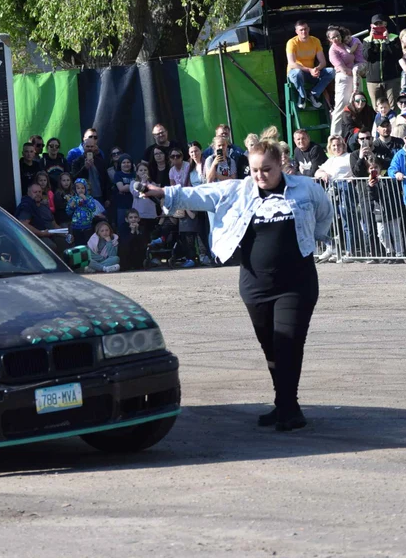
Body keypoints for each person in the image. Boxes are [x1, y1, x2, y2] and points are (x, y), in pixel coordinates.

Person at [138, 129, 334, 431]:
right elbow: (202, 194)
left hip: (297, 282)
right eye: (255, 170)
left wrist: (314, 238)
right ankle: (282, 403)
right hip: (255, 285)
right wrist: (164, 192)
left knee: (288, 344)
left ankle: (289, 407)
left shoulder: (306, 188)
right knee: (270, 346)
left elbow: (324, 213)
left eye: (267, 170)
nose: (260, 176)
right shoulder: (239, 190)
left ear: (281, 164)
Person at [328, 25, 366, 134]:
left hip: (355, 77)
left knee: (357, 105)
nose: (337, 38)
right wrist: (356, 72)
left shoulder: (345, 45)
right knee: (340, 107)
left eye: (338, 36)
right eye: (333, 37)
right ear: (329, 39)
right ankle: (335, 136)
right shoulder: (332, 51)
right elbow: (344, 69)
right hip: (344, 79)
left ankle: (358, 134)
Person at [286, 21, 332, 110]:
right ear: (296, 31)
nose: (304, 32)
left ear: (309, 29)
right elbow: (292, 63)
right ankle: (302, 97)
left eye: (305, 29)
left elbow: (323, 62)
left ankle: (313, 95)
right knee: (297, 72)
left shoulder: (315, 41)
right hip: (295, 73)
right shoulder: (292, 42)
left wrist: (317, 69)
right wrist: (309, 70)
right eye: (301, 30)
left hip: (311, 73)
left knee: (331, 71)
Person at [364, 14, 404, 109]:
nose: (378, 26)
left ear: (385, 24)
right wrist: (371, 40)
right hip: (373, 80)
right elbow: (367, 57)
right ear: (371, 26)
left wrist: (387, 41)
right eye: (376, 24)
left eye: (380, 23)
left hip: (391, 79)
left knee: (392, 106)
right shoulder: (366, 40)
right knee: (377, 108)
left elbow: (398, 55)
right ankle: (380, 124)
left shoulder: (394, 38)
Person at [16, 182, 60, 252]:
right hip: (32, 238)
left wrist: (66, 234)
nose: (38, 194)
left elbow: (54, 224)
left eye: (39, 192)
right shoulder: (27, 206)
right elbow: (23, 224)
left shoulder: (44, 207)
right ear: (29, 193)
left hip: (50, 234)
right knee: (51, 246)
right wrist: (41, 233)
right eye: (35, 192)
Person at [66, 178, 102, 246]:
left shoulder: (89, 198)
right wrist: (71, 206)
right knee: (78, 246)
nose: (80, 190)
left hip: (88, 227)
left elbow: (93, 208)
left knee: (89, 245)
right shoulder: (73, 199)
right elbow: (68, 212)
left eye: (82, 188)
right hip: (76, 227)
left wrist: (85, 200)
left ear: (86, 188)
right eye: (78, 188)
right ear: (75, 189)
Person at [130, 162, 160, 235]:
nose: (143, 171)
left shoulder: (152, 184)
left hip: (151, 214)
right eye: (141, 170)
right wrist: (143, 182)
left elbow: (157, 196)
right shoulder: (133, 183)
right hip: (139, 215)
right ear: (137, 172)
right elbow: (136, 193)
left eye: (145, 170)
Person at [110, 153, 136, 227]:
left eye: (128, 162)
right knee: (122, 225)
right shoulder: (118, 175)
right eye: (123, 162)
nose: (126, 164)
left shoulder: (135, 174)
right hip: (121, 205)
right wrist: (133, 185)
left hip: (134, 204)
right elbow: (121, 188)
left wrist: (127, 186)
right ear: (120, 164)